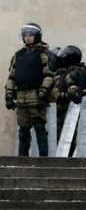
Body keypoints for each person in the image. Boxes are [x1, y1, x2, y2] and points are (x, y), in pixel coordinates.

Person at [6, 23, 55, 156]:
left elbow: (49, 75)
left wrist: (43, 92)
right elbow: (12, 77)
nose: (27, 38)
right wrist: (9, 96)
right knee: (23, 130)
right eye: (25, 35)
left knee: (39, 126)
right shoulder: (18, 55)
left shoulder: (43, 54)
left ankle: (43, 158)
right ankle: (22, 158)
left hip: (35, 93)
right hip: (21, 94)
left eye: (30, 35)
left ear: (37, 36)